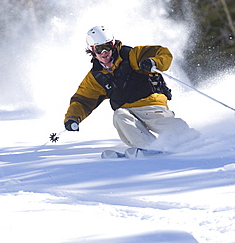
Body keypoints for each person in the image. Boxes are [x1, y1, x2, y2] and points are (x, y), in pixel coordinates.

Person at [64, 25, 199, 158]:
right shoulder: (96, 76)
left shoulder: (132, 55)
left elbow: (163, 53)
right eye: (99, 49)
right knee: (119, 115)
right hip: (127, 115)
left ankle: (192, 139)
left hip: (151, 106)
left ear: (113, 45)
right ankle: (149, 147)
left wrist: (153, 62)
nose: (104, 52)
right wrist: (72, 118)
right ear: (92, 51)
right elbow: (83, 100)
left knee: (176, 132)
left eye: (107, 47)